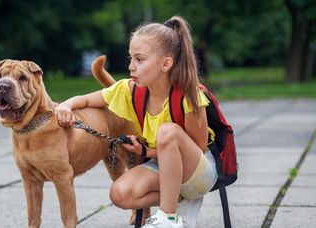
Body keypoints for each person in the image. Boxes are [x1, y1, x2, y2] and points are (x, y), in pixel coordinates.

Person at [55, 15, 218, 228]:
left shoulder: (188, 96)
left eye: (140, 60)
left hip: (198, 173)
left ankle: (168, 217)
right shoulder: (131, 90)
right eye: (130, 58)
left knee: (168, 132)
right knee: (120, 194)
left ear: (165, 63)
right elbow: (87, 99)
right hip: (164, 168)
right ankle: (178, 200)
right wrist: (65, 106)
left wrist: (152, 152)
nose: (131, 66)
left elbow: (198, 147)